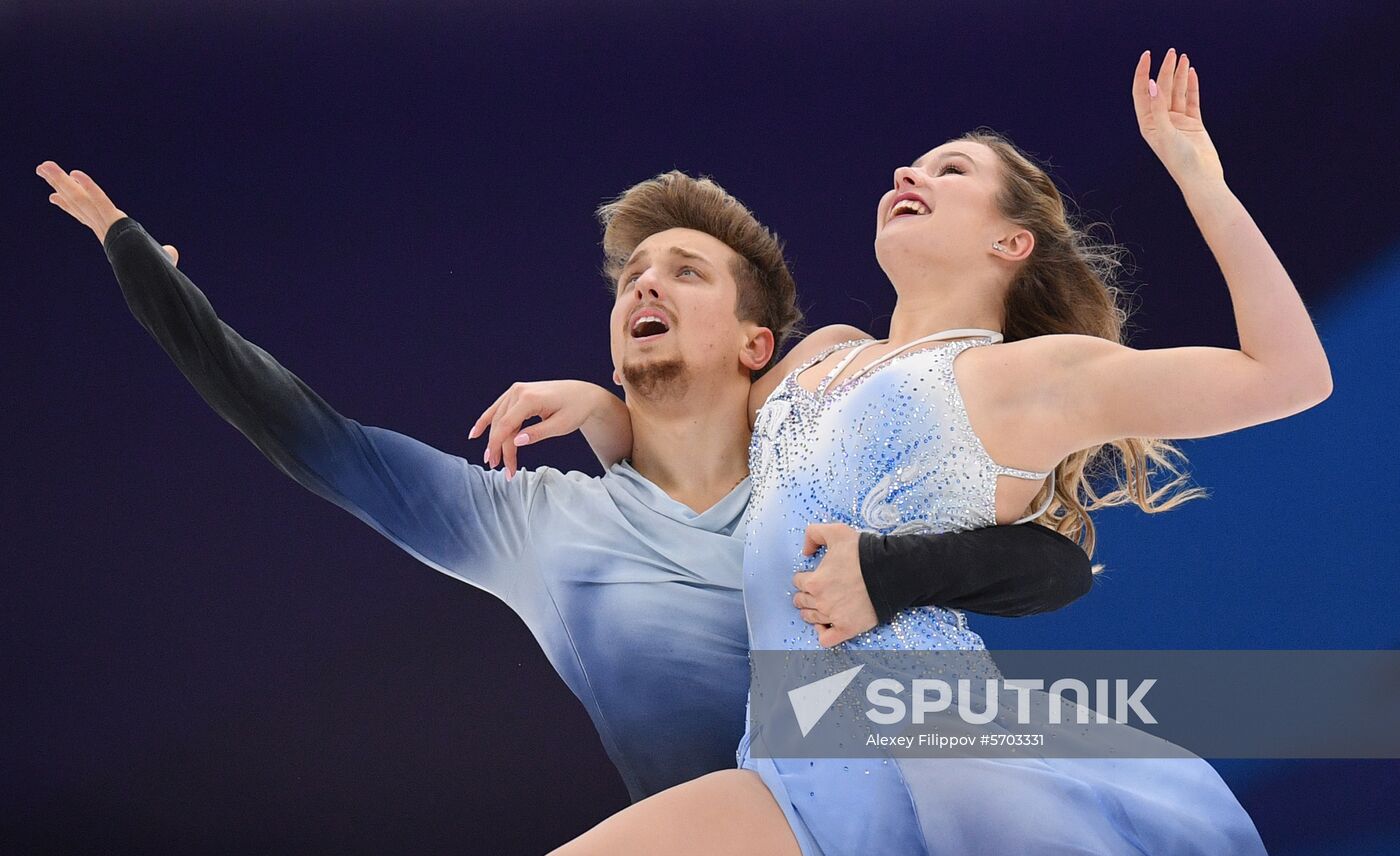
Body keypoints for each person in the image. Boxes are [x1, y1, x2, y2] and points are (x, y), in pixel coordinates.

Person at [34, 159, 1096, 807]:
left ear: (754, 340)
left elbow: (1048, 562)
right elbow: (310, 433)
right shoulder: (532, 524)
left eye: (684, 272)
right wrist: (150, 277)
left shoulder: (826, 461)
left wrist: (895, 570)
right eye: (634, 277)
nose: (645, 283)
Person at [519, 49, 1325, 854]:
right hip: (792, 749)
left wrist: (1200, 179)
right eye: (914, 165)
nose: (912, 173)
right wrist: (600, 408)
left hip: (918, 748)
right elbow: (696, 450)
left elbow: (1287, 376)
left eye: (953, 170)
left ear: (1012, 242)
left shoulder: (1029, 376)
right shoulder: (822, 356)